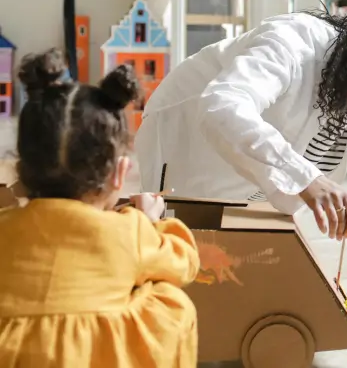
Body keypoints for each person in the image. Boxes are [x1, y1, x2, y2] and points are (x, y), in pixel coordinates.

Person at [135, 0, 347, 309]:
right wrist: (303, 176)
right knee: (178, 264)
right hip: (183, 135)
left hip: (253, 170)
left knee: (228, 278)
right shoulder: (293, 41)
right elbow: (223, 106)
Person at [0, 49, 199, 367]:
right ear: (119, 174)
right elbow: (185, 262)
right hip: (92, 355)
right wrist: (150, 222)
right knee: (174, 301)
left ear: (21, 169)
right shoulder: (130, 231)